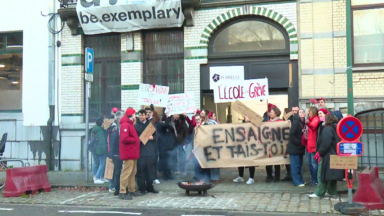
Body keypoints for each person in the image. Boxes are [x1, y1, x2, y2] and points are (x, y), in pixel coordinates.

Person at [309, 113, 344, 198]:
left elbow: (325, 144)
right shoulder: (338, 128)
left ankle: (319, 192)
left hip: (327, 155)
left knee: (322, 174)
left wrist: (319, 153)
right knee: (332, 175)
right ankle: (332, 192)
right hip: (336, 154)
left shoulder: (327, 129)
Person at [119, 108, 141, 200]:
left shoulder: (130, 124)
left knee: (132, 172)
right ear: (131, 115)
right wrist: (135, 140)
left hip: (132, 152)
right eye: (134, 115)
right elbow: (124, 139)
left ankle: (132, 190)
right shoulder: (125, 125)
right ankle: (122, 191)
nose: (135, 116)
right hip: (128, 153)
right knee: (126, 172)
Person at [135, 109, 159, 194]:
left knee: (150, 170)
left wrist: (152, 138)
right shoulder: (136, 126)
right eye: (139, 115)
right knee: (141, 171)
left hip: (150, 151)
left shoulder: (150, 125)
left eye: (142, 115)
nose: (141, 117)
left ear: (146, 116)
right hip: (140, 151)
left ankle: (150, 187)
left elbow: (156, 136)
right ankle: (142, 188)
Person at [233, 115, 256, 184]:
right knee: (241, 160)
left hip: (250, 146)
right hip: (242, 145)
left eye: (246, 116)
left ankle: (251, 178)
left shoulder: (253, 124)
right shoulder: (242, 124)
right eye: (245, 116)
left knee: (251, 161)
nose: (245, 117)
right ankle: (240, 176)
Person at [287, 110, 306, 187]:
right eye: (300, 112)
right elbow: (292, 134)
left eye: (303, 112)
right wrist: (299, 142)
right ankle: (296, 181)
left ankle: (300, 180)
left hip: (300, 148)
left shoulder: (303, 123)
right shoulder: (296, 122)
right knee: (295, 166)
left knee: (299, 165)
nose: (302, 114)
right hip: (295, 148)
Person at [108, 111, 124, 195]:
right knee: (117, 172)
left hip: (122, 153)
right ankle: (116, 188)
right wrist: (111, 155)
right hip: (116, 154)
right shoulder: (115, 129)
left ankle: (121, 188)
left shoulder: (122, 128)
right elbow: (112, 143)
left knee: (121, 172)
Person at [157, 114, 177, 181]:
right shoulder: (161, 124)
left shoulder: (170, 125)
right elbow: (166, 125)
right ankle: (165, 175)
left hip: (169, 146)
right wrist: (167, 117)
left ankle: (169, 174)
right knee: (164, 161)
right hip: (163, 147)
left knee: (169, 161)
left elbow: (172, 131)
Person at [266, 106, 283, 183]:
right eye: (270, 112)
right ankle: (269, 176)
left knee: (277, 162)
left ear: (276, 113)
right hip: (269, 145)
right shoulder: (268, 122)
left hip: (277, 144)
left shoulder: (280, 122)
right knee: (268, 162)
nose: (270, 113)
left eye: (272, 112)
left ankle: (277, 177)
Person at [191, 113, 211, 182]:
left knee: (205, 164)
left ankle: (207, 178)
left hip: (204, 148)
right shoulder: (195, 128)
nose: (197, 121)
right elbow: (193, 138)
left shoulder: (205, 126)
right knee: (196, 164)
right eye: (196, 120)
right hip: (197, 149)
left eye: (198, 119)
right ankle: (198, 178)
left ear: (201, 119)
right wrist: (192, 148)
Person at [91, 116, 108, 184]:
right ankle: (98, 177)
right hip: (100, 150)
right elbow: (102, 142)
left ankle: (95, 176)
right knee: (102, 163)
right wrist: (105, 151)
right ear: (102, 123)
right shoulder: (101, 130)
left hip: (94, 149)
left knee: (96, 162)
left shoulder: (95, 129)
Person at [306, 107, 320, 186]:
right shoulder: (311, 119)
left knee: (314, 164)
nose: (308, 113)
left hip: (313, 145)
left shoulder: (315, 119)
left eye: (309, 111)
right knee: (309, 163)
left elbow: (313, 126)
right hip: (309, 145)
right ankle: (313, 179)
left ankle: (315, 180)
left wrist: (308, 123)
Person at [207, 111, 220, 183]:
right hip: (213, 146)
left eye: (215, 115)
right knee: (214, 162)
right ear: (211, 117)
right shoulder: (211, 124)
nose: (215, 117)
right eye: (214, 116)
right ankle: (214, 178)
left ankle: (215, 177)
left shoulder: (215, 123)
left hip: (215, 145)